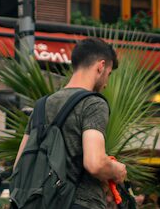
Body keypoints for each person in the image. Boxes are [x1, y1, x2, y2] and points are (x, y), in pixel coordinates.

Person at [14, 37, 127, 209]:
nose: (106, 84)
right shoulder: (93, 103)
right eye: (109, 74)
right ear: (101, 66)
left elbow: (19, 165)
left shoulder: (42, 105)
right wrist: (117, 169)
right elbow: (95, 163)